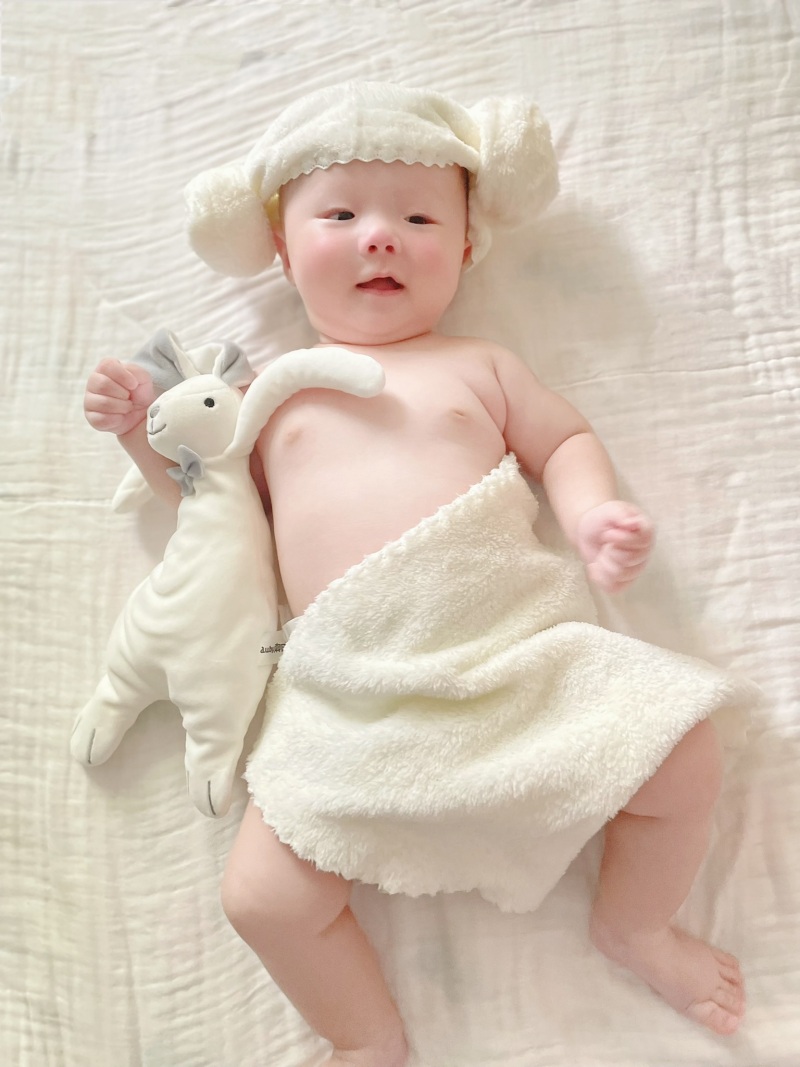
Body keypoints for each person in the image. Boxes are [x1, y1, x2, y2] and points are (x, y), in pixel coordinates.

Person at [84, 83, 747, 1065]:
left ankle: (636, 924)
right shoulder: (261, 399)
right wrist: (139, 433)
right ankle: (366, 1035)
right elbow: (211, 510)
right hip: (352, 699)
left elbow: (563, 439)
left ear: (469, 244)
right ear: (281, 250)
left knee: (686, 754)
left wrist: (589, 513)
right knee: (260, 898)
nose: (380, 236)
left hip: (507, 664)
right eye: (340, 215)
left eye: (419, 217)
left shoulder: (480, 363)